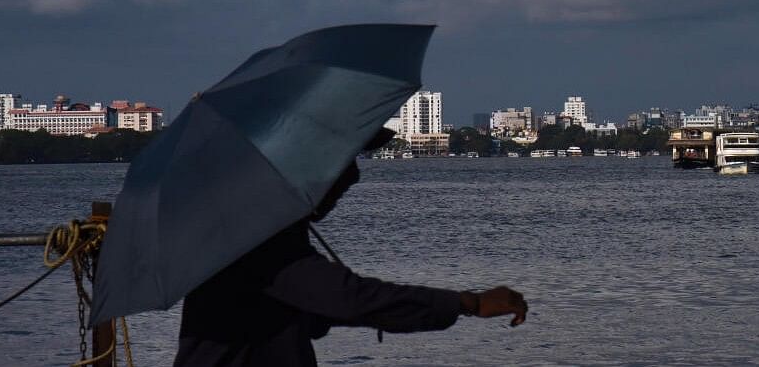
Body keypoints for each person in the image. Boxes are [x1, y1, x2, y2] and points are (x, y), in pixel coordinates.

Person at [173, 129, 528, 366]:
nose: (354, 176)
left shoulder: (271, 230)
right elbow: (349, 299)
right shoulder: (257, 238)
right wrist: (468, 302)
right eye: (345, 162)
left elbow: (318, 313)